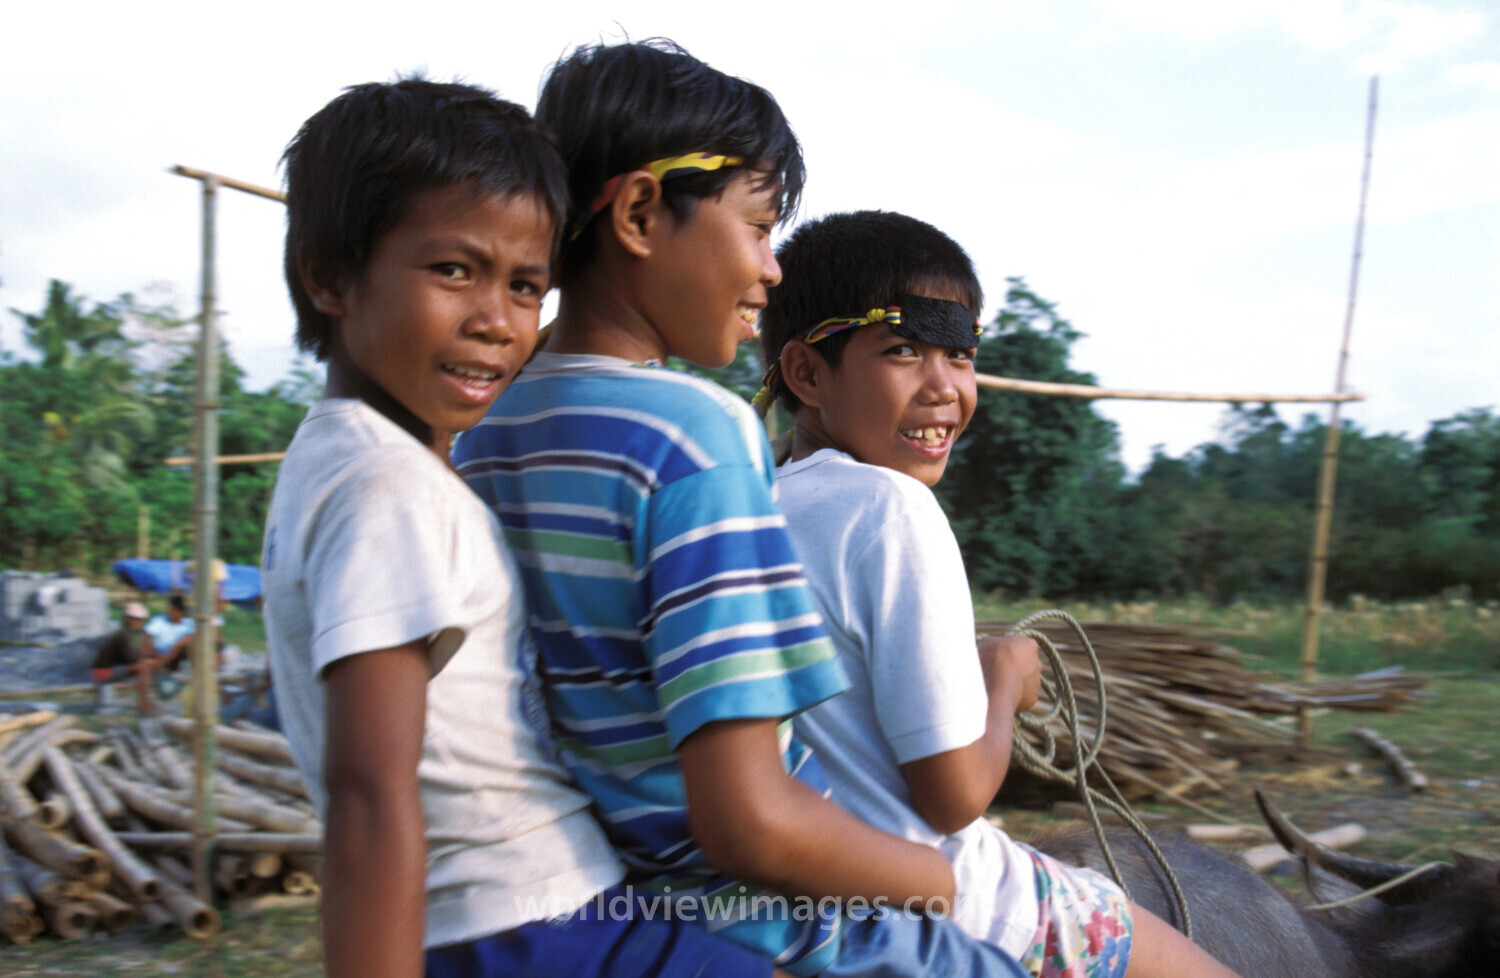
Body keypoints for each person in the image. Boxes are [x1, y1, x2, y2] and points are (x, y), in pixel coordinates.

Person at [455, 40, 1028, 978]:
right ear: (641, 211)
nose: (770, 272)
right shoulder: (694, 434)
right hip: (770, 919)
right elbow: (749, 822)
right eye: (759, 228)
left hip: (600, 883)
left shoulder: (485, 426)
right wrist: (934, 882)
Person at [263, 77, 772, 978]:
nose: (498, 321)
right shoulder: (388, 489)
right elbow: (369, 795)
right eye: (454, 270)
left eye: (526, 285)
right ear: (332, 276)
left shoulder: (353, 459)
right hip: (528, 919)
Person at [757, 210, 1241, 978]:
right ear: (807, 373)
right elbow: (953, 798)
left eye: (960, 355)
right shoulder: (892, 508)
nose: (944, 388)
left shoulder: (760, 500)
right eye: (904, 351)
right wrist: (1005, 679)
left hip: (800, 900)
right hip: (954, 903)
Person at [91, 601, 154, 713]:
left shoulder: (131, 634)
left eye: (139, 620)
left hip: (112, 669)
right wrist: (145, 654)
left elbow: (145, 654)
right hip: (102, 672)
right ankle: (144, 705)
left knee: (146, 666)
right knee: (143, 667)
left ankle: (147, 702)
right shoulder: (123, 635)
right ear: (128, 619)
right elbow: (133, 659)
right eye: (134, 619)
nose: (137, 622)